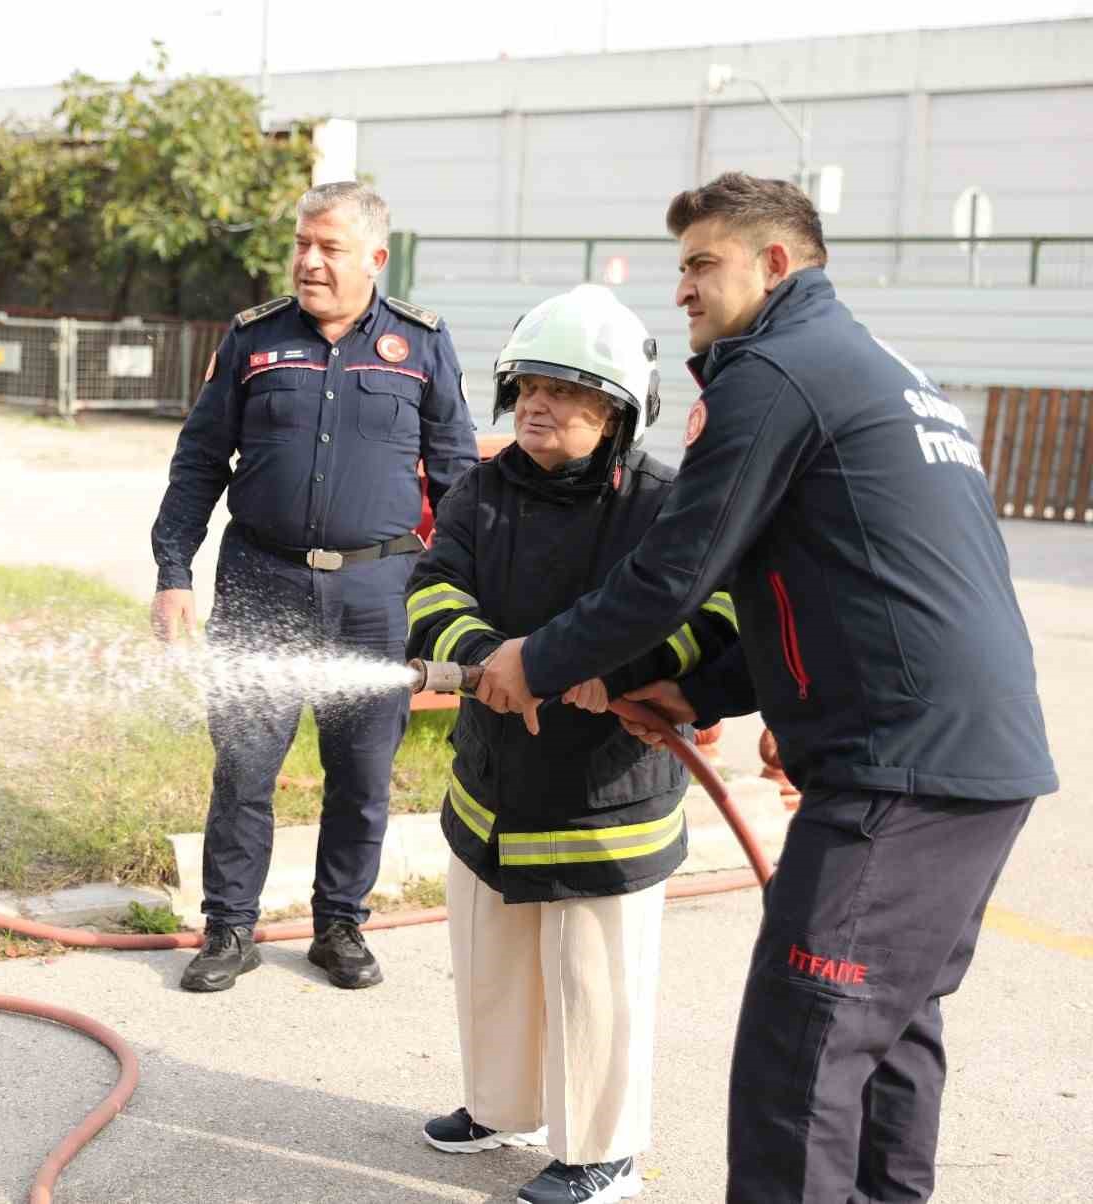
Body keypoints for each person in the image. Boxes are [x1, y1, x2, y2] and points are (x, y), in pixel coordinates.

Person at [473, 172, 1058, 1203]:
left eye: (702, 263)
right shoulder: (871, 365)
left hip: (901, 771)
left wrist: (537, 660)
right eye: (682, 266)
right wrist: (694, 692)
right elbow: (836, 584)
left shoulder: (773, 372)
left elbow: (672, 572)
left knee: (804, 1043)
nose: (684, 289)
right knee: (888, 1029)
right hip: (968, 758)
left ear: (773, 262)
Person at [405, 284, 740, 1204]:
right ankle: (497, 1106)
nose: (540, 405)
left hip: (606, 796)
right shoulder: (485, 488)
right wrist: (480, 659)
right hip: (492, 782)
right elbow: (434, 588)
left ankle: (604, 1150)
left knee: (598, 983)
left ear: (619, 410)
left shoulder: (666, 503)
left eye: (569, 390)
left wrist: (627, 670)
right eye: (530, 387)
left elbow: (709, 614)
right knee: (492, 960)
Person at [150, 181, 479, 993]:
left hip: (378, 593)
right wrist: (172, 573)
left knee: (363, 772)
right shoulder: (254, 340)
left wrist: (461, 595)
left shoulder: (422, 345)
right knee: (245, 765)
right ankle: (229, 927)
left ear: (375, 256)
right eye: (302, 243)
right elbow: (199, 461)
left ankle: (341, 925)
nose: (308, 261)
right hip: (261, 581)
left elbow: (460, 476)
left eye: (328, 247)